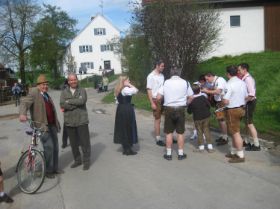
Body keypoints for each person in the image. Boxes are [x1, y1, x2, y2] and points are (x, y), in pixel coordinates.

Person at [19, 74, 61, 178]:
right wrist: (22, 113)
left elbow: (52, 111)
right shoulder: (34, 92)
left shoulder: (47, 95)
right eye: (43, 84)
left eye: (46, 84)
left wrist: (57, 123)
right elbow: (24, 102)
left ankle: (54, 168)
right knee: (49, 146)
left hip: (52, 125)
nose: (45, 86)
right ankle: (47, 170)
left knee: (55, 147)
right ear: (38, 85)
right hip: (42, 126)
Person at [157, 66, 193, 160]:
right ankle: (180, 154)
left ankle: (168, 154)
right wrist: (186, 103)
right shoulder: (185, 82)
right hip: (181, 108)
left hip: (168, 108)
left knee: (169, 132)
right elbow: (191, 97)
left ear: (171, 73)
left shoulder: (166, 82)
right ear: (180, 73)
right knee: (180, 132)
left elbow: (158, 97)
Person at [60, 73, 91, 170]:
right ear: (68, 82)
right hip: (69, 121)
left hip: (81, 120)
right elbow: (62, 104)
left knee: (84, 142)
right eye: (71, 80)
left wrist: (69, 101)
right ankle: (77, 160)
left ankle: (86, 161)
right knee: (73, 144)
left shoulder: (82, 90)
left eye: (74, 79)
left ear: (77, 80)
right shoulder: (64, 92)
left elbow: (82, 101)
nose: (73, 81)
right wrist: (75, 102)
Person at [223, 65, 248, 163]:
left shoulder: (229, 84)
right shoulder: (242, 82)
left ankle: (240, 155)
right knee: (234, 131)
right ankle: (233, 152)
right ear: (236, 72)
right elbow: (246, 96)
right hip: (241, 108)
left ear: (228, 74)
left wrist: (223, 99)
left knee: (235, 132)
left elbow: (225, 101)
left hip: (232, 110)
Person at [238, 63, 260, 151]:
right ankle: (246, 141)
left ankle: (256, 144)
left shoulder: (248, 79)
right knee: (247, 123)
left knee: (249, 124)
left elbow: (251, 94)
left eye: (239, 70)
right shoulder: (245, 78)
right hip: (248, 103)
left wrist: (243, 101)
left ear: (245, 70)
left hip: (249, 103)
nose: (238, 72)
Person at [113, 76, 138, 155]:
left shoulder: (118, 89)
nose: (129, 81)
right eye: (128, 80)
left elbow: (116, 102)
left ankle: (125, 148)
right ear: (124, 81)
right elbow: (136, 90)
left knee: (123, 128)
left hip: (120, 109)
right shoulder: (125, 89)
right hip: (126, 109)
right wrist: (130, 85)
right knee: (128, 127)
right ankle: (128, 149)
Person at [201, 72, 228, 146]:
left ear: (211, 76)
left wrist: (207, 91)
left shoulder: (220, 80)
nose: (207, 81)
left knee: (222, 119)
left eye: (207, 79)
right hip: (218, 102)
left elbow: (218, 91)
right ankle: (222, 135)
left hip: (221, 102)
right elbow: (215, 89)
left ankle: (225, 137)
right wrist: (209, 89)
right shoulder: (215, 81)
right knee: (219, 119)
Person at [187, 84, 214, 153]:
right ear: (199, 90)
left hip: (197, 118)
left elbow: (189, 111)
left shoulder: (192, 100)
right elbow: (209, 105)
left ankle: (201, 147)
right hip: (206, 116)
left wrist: (189, 104)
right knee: (206, 130)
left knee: (199, 131)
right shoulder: (203, 97)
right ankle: (210, 147)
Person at [146, 60, 165, 146]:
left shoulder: (162, 75)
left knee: (168, 118)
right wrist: (152, 103)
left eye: (163, 66)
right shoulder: (151, 76)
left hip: (164, 99)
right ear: (157, 66)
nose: (163, 68)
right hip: (155, 100)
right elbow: (149, 90)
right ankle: (158, 139)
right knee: (158, 119)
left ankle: (169, 136)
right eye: (162, 66)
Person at [61, 79, 69, 149]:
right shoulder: (65, 89)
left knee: (66, 128)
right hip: (67, 109)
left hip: (67, 110)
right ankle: (64, 142)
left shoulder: (63, 87)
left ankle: (64, 143)